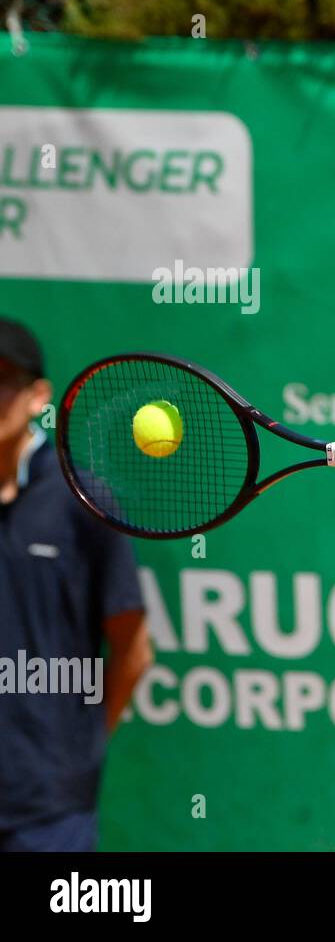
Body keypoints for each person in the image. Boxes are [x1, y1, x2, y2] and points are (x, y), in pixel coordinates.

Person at [0, 317, 154, 852]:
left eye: (5, 379)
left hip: (49, 810)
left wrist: (78, 750)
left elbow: (133, 648)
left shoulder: (81, 499)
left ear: (38, 394)